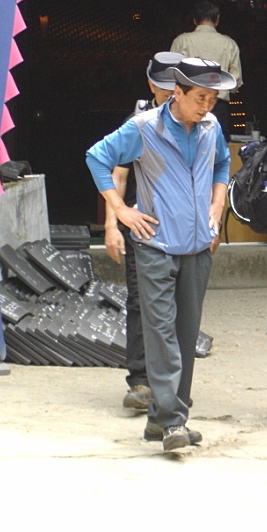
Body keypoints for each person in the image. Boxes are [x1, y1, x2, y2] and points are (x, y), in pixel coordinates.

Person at [86, 57, 234, 451]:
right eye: (200, 98)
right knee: (161, 333)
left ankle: (162, 420)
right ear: (177, 92)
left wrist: (218, 203)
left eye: (213, 99)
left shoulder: (211, 127)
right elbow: (97, 157)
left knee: (185, 335)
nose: (207, 106)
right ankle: (172, 422)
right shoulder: (144, 128)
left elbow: (223, 163)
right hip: (155, 246)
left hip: (198, 247)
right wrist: (120, 211)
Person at [104, 52, 183, 410]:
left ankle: (173, 382)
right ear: (151, 85)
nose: (170, 93)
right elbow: (118, 176)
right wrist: (112, 224)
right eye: (164, 87)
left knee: (179, 303)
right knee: (140, 302)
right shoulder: (137, 124)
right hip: (144, 225)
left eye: (176, 86)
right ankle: (140, 381)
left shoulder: (200, 122)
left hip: (184, 228)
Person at [171, 0, 243, 139]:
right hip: (217, 105)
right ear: (217, 20)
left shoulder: (181, 41)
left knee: (182, 145)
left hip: (186, 105)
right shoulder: (229, 44)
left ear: (194, 20)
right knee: (217, 149)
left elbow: (172, 77)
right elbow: (236, 82)